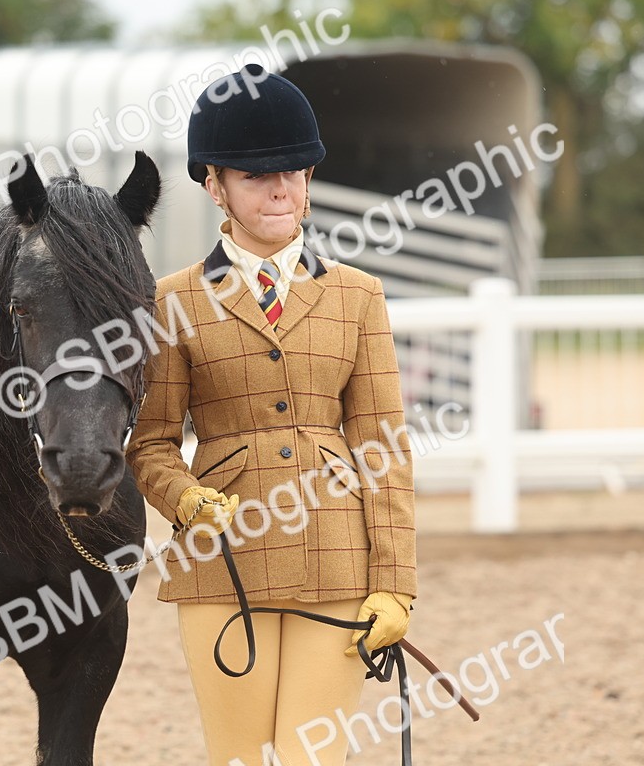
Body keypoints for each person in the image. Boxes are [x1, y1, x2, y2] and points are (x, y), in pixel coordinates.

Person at [124, 63, 418, 766]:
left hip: (338, 560)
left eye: (293, 171)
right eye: (257, 176)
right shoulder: (172, 303)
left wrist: (396, 585)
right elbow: (151, 445)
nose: (280, 188)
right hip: (222, 559)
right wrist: (184, 499)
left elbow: (382, 447)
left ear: (310, 180)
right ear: (214, 184)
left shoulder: (358, 296)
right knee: (241, 760)